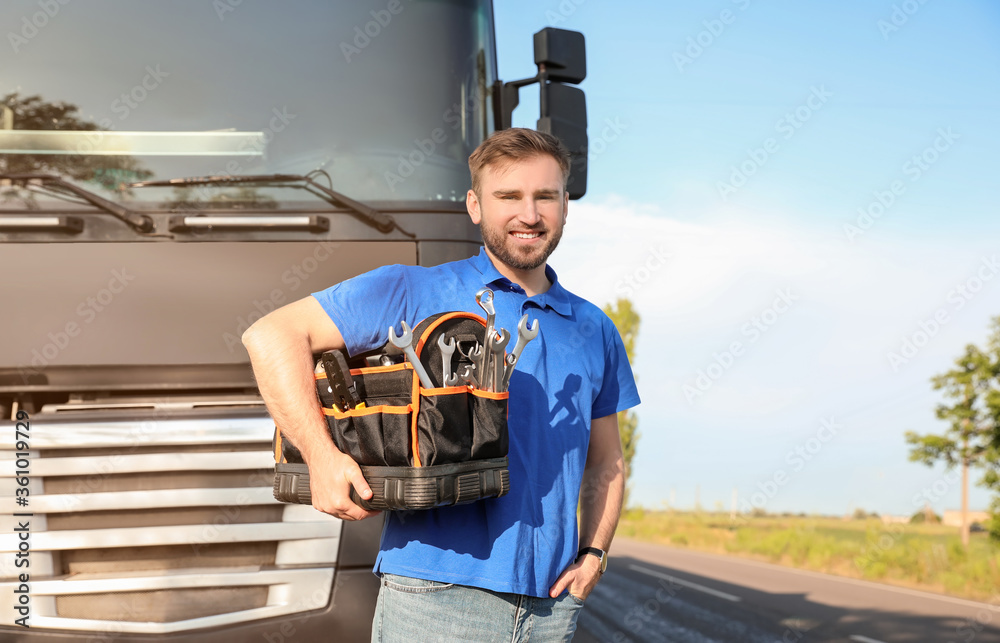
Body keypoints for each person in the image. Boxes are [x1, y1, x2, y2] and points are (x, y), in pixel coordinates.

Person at [242, 128, 640, 642]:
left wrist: (593, 556)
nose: (529, 214)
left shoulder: (593, 328)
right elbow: (271, 336)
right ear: (475, 205)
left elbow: (607, 461)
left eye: (545, 196)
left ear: (566, 204)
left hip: (552, 607)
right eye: (508, 197)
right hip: (435, 598)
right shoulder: (410, 289)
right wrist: (320, 455)